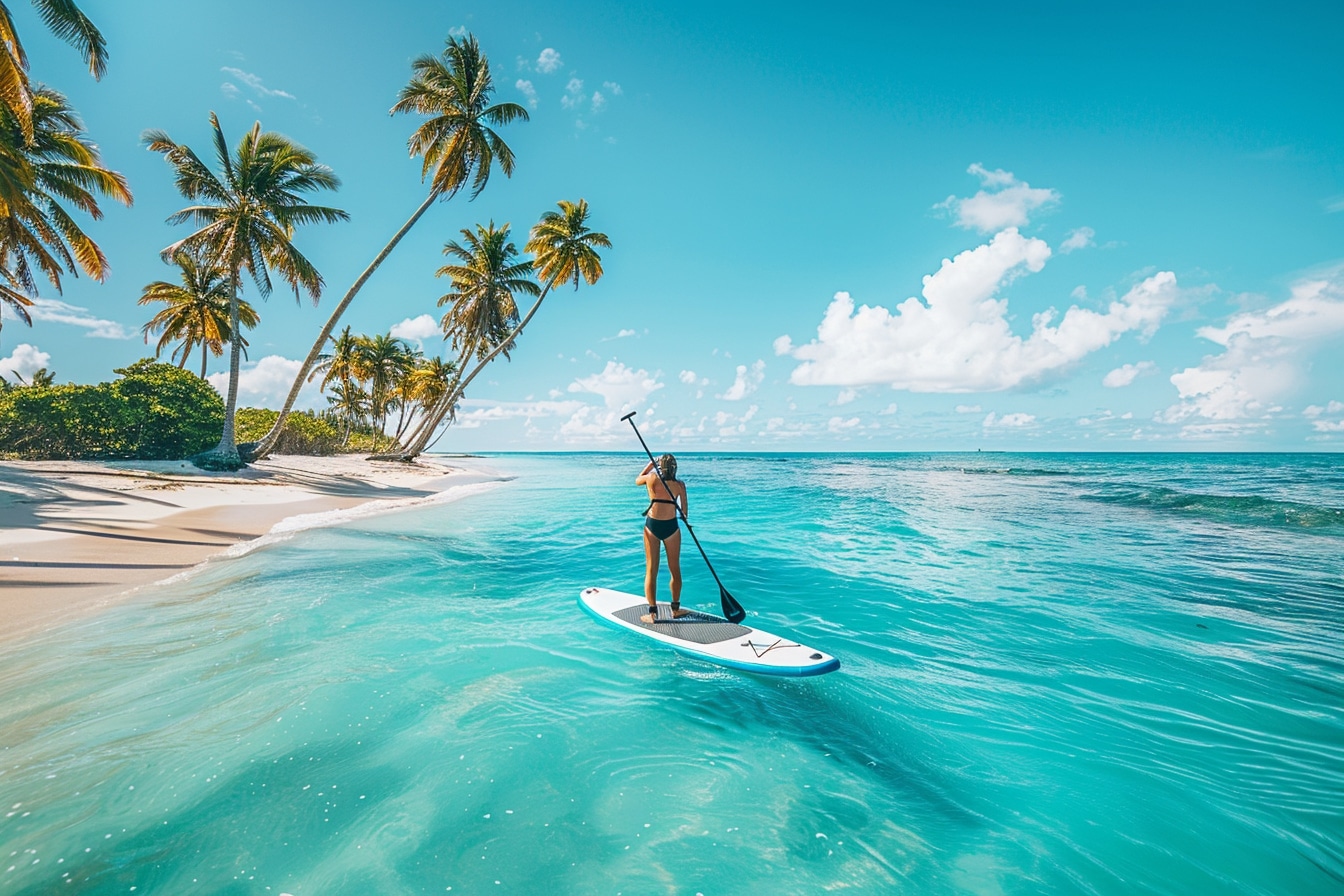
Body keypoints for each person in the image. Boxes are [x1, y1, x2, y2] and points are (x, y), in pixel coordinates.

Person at [636, 453, 691, 624]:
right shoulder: (680, 485)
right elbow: (684, 513)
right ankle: (675, 609)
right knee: (674, 568)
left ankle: (652, 614)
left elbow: (637, 479)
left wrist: (650, 464)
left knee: (651, 569)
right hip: (671, 528)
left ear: (660, 467)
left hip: (652, 527)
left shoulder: (651, 479)